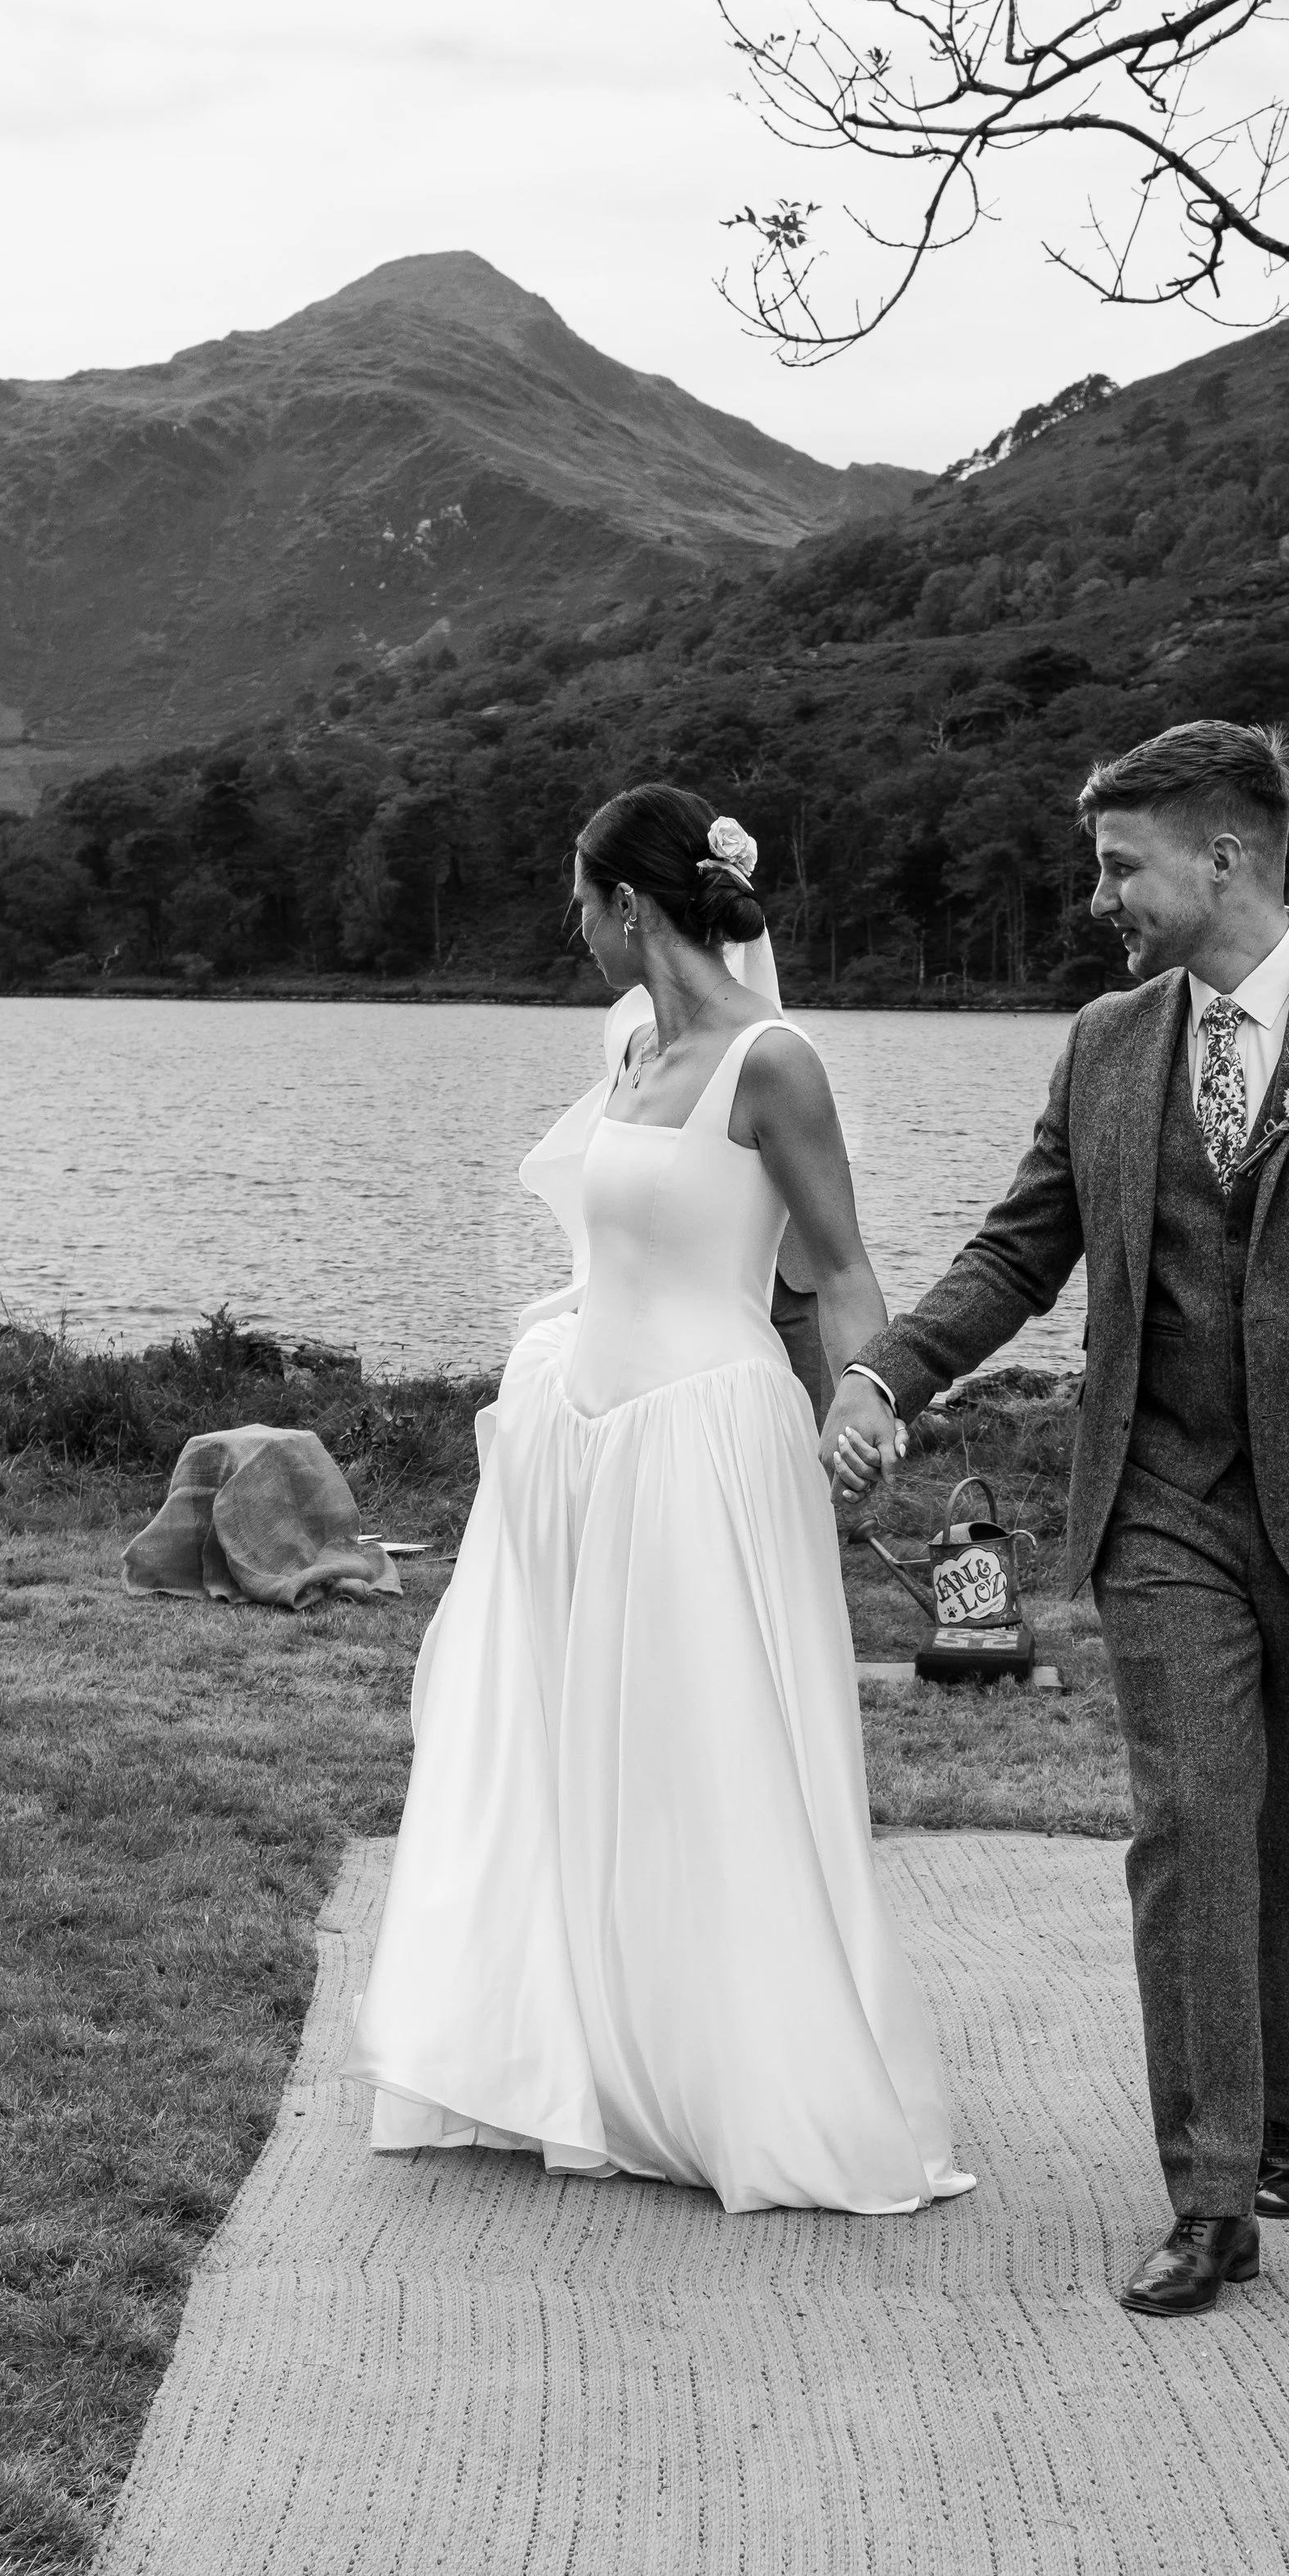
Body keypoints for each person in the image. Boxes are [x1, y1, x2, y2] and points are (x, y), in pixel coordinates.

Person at [825, 722, 1289, 2314]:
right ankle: (1209, 2191)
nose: (1096, 899)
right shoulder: (1102, 1045)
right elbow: (1013, 1256)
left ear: (1221, 858)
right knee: (1191, 1815)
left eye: (1117, 865)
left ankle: (1266, 2099)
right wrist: (882, 1377)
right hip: (1154, 1504)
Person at [347, 785, 973, 2218]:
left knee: (712, 1747)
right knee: (580, 1747)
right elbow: (608, 1248)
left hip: (708, 1442)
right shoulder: (631, 1042)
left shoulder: (775, 1063)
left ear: (631, 903)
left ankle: (744, 2075)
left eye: (578, 899)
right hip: (589, 1444)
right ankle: (590, 2056)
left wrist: (864, 1401)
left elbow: (840, 1268)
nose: (569, 926)